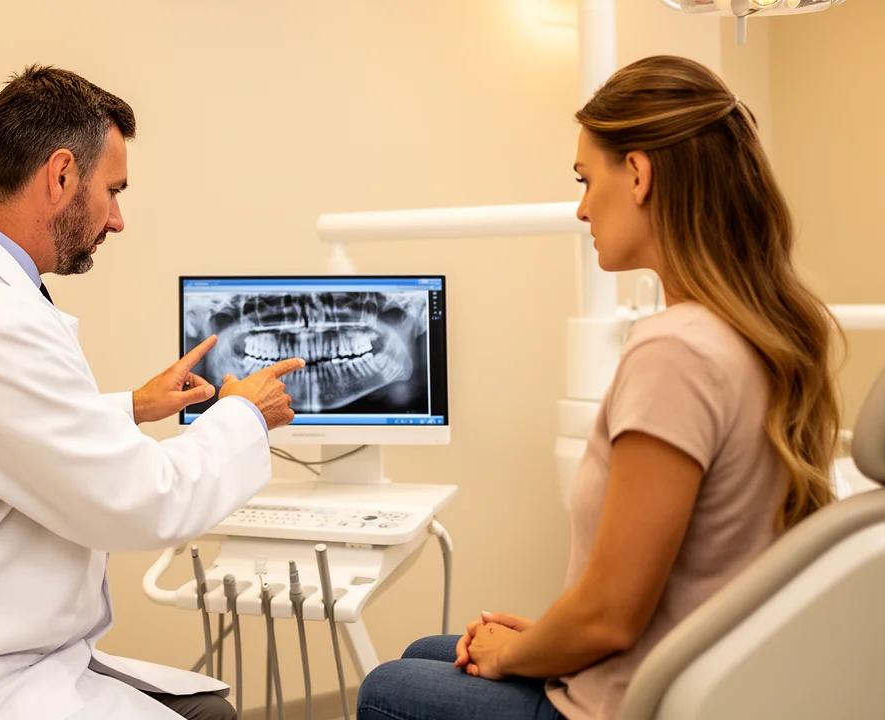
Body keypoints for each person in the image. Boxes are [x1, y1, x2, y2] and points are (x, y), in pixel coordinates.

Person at [356, 55, 843, 720]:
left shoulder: (676, 349)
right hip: (702, 675)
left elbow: (610, 619)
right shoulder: (763, 331)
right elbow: (654, 593)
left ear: (638, 174)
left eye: (587, 180)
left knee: (387, 689)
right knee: (427, 650)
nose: (582, 209)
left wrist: (520, 655)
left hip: (635, 701)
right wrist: (545, 641)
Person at [0, 65, 304, 720]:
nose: (119, 219)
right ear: (62, 175)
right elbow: (144, 500)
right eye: (113, 190)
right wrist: (245, 412)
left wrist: (130, 406)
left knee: (210, 709)